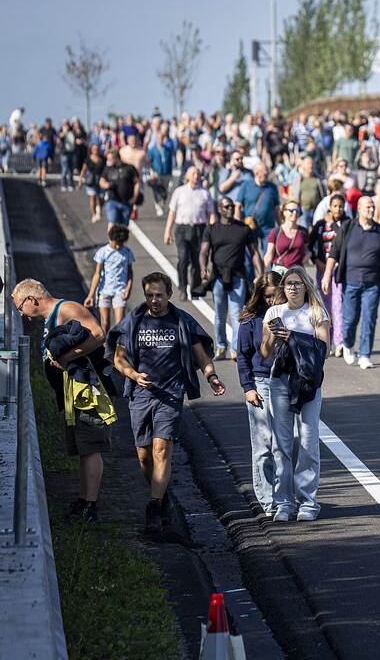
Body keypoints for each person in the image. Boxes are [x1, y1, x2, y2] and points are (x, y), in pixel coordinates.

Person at [109, 272, 225, 539]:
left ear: (169, 294)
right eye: (149, 295)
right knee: (144, 455)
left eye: (159, 295)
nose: (154, 300)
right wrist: (134, 375)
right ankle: (160, 497)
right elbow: (119, 359)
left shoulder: (181, 321)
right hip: (140, 395)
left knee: (162, 449)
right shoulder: (134, 322)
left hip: (171, 395)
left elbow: (202, 356)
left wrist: (212, 377)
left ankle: (154, 509)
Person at [13, 279, 109, 522]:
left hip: (83, 388)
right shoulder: (51, 317)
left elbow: (98, 335)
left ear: (31, 300)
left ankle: (91, 505)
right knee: (81, 447)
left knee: (90, 446)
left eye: (19, 308)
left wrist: (67, 357)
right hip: (70, 389)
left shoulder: (67, 309)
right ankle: (84, 499)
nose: (22, 315)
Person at [261, 266, 330, 521]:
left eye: (297, 283)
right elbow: (265, 352)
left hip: (308, 384)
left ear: (306, 286)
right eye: (288, 283)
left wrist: (293, 337)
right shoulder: (274, 312)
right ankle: (283, 502)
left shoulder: (316, 312)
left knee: (309, 443)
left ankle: (308, 502)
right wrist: (272, 337)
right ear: (283, 288)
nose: (292, 287)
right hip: (280, 381)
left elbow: (325, 350)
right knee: (281, 444)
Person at [321, 196, 380, 370]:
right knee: (349, 320)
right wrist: (327, 275)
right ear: (359, 209)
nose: (371, 209)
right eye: (367, 207)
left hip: (372, 284)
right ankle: (347, 344)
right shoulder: (348, 228)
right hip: (350, 282)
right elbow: (334, 253)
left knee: (369, 318)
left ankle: (365, 354)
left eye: (372, 206)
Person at [236, 271, 282, 516]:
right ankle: (267, 501)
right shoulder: (250, 320)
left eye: (275, 295)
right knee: (263, 444)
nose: (272, 301)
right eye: (267, 297)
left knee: (286, 444)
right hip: (260, 383)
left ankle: (284, 496)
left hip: (285, 383)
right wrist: (248, 387)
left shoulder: (288, 314)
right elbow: (242, 356)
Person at [199, 196, 263, 360]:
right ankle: (221, 346)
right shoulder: (212, 229)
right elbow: (204, 251)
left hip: (238, 277)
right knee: (220, 314)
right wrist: (203, 267)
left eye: (232, 206)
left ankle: (235, 349)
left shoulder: (243, 229)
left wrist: (260, 274)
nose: (230, 209)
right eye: (226, 206)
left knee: (236, 314)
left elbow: (254, 252)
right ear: (219, 208)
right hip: (218, 277)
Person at [162, 167, 215, 300]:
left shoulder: (205, 193)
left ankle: (195, 289)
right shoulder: (179, 192)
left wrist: (213, 231)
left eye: (198, 173)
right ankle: (183, 288)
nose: (196, 176)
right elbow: (172, 213)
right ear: (187, 176)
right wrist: (167, 231)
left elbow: (211, 214)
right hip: (182, 229)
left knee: (197, 262)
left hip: (200, 229)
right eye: (193, 173)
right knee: (183, 258)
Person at [310, 193, 348, 355]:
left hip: (339, 271)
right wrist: (315, 260)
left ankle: (339, 342)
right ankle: (328, 342)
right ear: (329, 207)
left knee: (338, 306)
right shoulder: (320, 225)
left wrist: (333, 224)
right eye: (335, 206)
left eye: (340, 206)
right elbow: (310, 245)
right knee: (326, 307)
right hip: (322, 270)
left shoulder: (346, 224)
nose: (338, 209)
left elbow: (344, 240)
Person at [84, 226, 136, 335]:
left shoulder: (127, 252)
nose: (118, 246)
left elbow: (130, 272)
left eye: (120, 244)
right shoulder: (103, 252)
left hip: (120, 291)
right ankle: (104, 347)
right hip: (104, 291)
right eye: (116, 243)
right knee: (105, 323)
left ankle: (116, 347)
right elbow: (97, 274)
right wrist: (91, 295)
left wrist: (128, 288)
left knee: (120, 323)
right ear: (110, 239)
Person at [237, 164, 282, 253]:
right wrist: (237, 224)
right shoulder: (246, 185)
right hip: (250, 226)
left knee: (270, 253)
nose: (266, 175)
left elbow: (277, 208)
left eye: (267, 173)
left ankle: (269, 267)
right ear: (256, 173)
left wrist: (280, 226)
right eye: (264, 173)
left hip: (268, 227)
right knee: (250, 255)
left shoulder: (272, 187)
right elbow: (238, 205)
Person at [99, 147, 141, 230]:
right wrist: (107, 185)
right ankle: (112, 242)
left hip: (127, 201)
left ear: (116, 158)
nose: (108, 161)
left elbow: (137, 182)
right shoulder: (108, 169)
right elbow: (101, 181)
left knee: (124, 225)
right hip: (112, 200)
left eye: (110, 159)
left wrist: (134, 197)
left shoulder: (129, 168)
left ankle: (121, 242)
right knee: (112, 221)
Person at [265, 201, 312, 271]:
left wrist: (305, 259)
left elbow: (307, 251)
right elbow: (269, 255)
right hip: (279, 271)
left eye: (297, 210)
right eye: (291, 211)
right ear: (284, 212)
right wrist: (263, 273)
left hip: (297, 272)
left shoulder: (303, 232)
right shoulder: (275, 232)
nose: (295, 213)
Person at [78, 143, 107, 223]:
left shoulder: (103, 159)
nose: (95, 151)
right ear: (91, 150)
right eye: (94, 149)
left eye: (97, 149)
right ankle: (93, 214)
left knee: (102, 198)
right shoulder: (88, 159)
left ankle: (99, 208)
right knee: (92, 197)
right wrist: (80, 180)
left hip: (101, 180)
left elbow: (107, 169)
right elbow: (83, 170)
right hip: (91, 181)